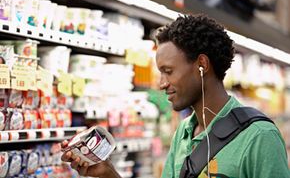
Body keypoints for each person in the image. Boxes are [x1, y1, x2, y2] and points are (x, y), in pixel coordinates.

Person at [61, 14, 290, 178]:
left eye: (168, 71)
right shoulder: (184, 133)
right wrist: (107, 173)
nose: (161, 83)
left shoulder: (259, 137)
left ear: (201, 65)